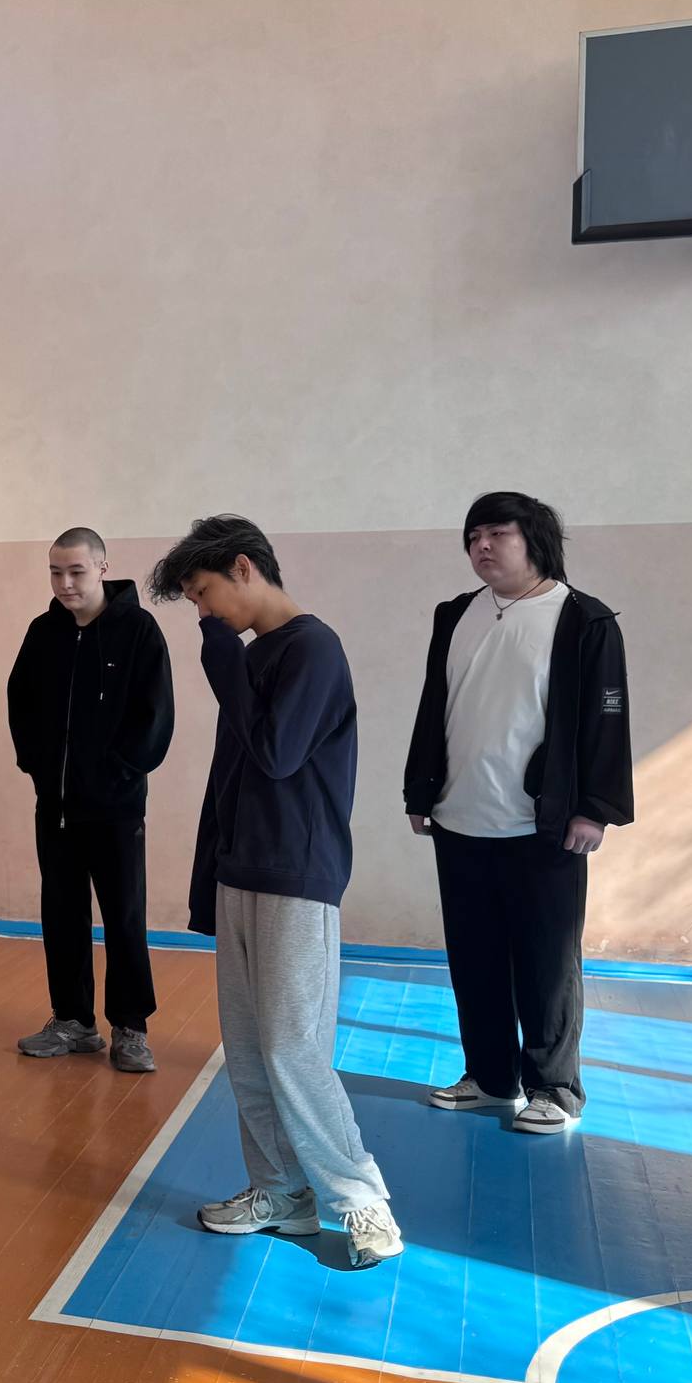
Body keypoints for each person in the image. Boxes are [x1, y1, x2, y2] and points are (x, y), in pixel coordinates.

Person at [149, 515, 403, 1270]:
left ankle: (361, 1201)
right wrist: (210, 874)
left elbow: (277, 752)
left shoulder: (313, 648)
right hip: (242, 872)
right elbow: (230, 778)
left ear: (243, 568)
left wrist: (218, 655)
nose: (203, 613)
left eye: (204, 593)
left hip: (297, 872)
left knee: (294, 1046)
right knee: (250, 1049)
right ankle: (281, 1193)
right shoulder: (253, 655)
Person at [402, 492, 633, 1136]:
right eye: (472, 535)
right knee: (473, 958)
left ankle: (555, 1087)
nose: (481, 546)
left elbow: (606, 721)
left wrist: (594, 810)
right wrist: (420, 792)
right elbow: (434, 706)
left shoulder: (583, 620)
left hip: (544, 826)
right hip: (459, 819)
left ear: (534, 538)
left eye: (496, 533)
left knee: (547, 963)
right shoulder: (456, 615)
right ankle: (490, 1076)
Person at [5, 527, 175, 1073]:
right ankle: (73, 1021)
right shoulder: (43, 633)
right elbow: (20, 702)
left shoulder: (138, 631)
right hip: (54, 805)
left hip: (116, 808)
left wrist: (118, 774)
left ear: (102, 568)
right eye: (55, 573)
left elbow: (155, 717)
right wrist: (37, 767)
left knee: (124, 915)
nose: (65, 584)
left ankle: (131, 1026)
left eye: (76, 572)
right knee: (61, 913)